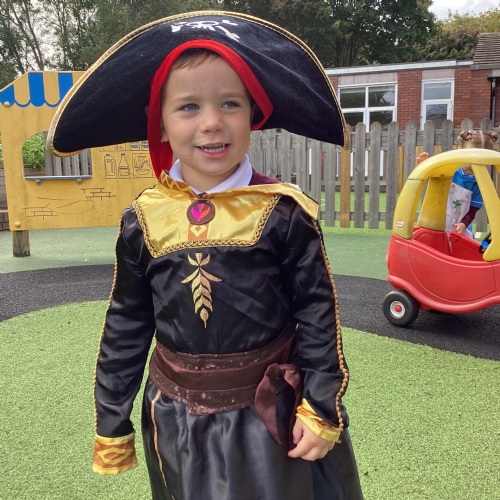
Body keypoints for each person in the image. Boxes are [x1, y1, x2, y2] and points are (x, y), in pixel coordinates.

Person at [47, 12, 363, 500]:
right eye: (189, 106)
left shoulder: (284, 212)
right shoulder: (143, 220)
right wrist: (112, 417)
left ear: (253, 114)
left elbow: (317, 314)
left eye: (230, 103)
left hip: (271, 416)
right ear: (160, 122)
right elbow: (128, 322)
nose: (212, 122)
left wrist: (321, 406)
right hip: (177, 420)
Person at [417, 129, 498, 238]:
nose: (474, 164)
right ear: (460, 152)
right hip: (436, 222)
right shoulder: (449, 169)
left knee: (463, 243)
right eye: (471, 158)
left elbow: (473, 209)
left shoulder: (481, 183)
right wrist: (424, 166)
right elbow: (433, 177)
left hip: (459, 226)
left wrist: (464, 224)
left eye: (482, 161)